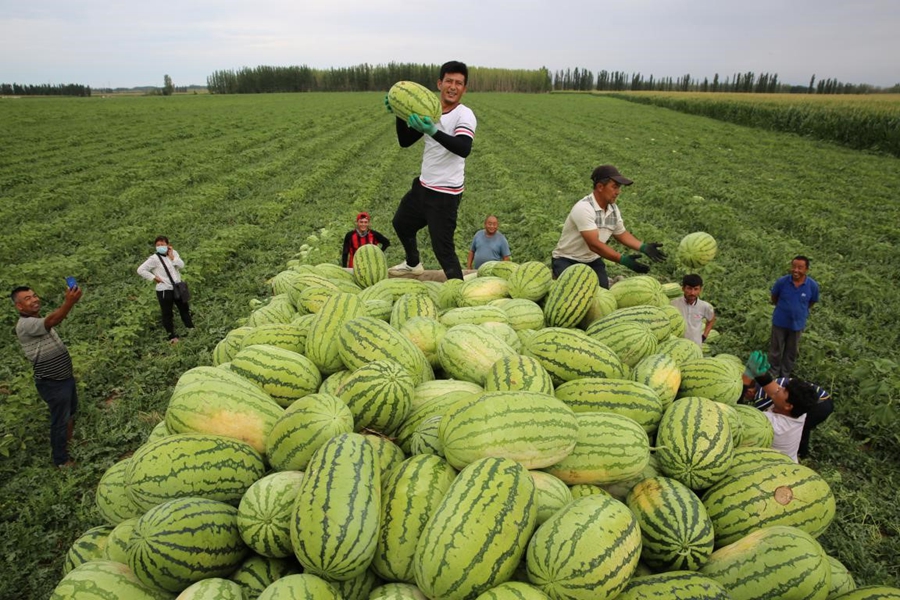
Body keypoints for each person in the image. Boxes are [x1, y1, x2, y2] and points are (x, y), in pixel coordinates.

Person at [386, 61, 477, 280]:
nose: (453, 87)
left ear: (464, 89)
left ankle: (459, 291)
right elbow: (405, 141)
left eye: (458, 83)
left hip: (446, 194)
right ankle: (413, 263)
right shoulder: (431, 111)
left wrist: (433, 131)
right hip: (424, 186)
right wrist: (400, 113)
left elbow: (463, 148)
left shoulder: (464, 115)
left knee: (442, 248)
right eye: (449, 81)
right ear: (439, 83)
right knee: (401, 223)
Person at [551, 165, 666, 288]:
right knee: (576, 290)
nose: (618, 192)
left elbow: (621, 234)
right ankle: (556, 274)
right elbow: (594, 244)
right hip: (567, 259)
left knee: (602, 293)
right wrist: (624, 260)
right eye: (614, 187)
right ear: (600, 187)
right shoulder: (584, 208)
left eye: (619, 188)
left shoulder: (613, 209)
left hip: (592, 260)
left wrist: (643, 247)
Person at [12, 284, 83, 468]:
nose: (34, 299)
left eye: (34, 295)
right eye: (27, 298)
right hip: (52, 383)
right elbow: (52, 320)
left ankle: (69, 444)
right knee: (59, 420)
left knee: (69, 414)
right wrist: (69, 302)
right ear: (19, 306)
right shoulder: (26, 324)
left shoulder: (37, 320)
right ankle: (61, 460)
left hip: (64, 378)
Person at [741, 350, 832, 461]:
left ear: (788, 406)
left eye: (784, 391)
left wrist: (746, 378)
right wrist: (761, 373)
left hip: (775, 470)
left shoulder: (774, 426)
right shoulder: (798, 413)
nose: (779, 388)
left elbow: (737, 413)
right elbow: (770, 386)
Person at [769, 255, 819, 378]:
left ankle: (785, 374)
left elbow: (812, 302)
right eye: (794, 266)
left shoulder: (812, 286)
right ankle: (773, 372)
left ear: (806, 269)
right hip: (780, 322)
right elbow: (774, 297)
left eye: (800, 268)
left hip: (797, 324)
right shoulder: (782, 282)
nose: (796, 270)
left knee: (791, 351)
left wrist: (799, 310)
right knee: (775, 349)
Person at [137, 236, 194, 343]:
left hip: (177, 287)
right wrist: (154, 278)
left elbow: (181, 266)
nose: (160, 247)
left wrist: (172, 257)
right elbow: (140, 270)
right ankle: (172, 337)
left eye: (162, 244)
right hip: (164, 289)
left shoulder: (173, 253)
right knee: (167, 313)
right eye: (158, 245)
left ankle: (190, 328)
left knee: (184, 308)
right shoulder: (154, 259)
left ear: (168, 245)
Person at [671, 273, 716, 347]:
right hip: (677, 345)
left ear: (700, 290)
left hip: (696, 347)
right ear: (683, 288)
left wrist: (704, 336)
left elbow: (711, 319)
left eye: (696, 289)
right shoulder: (673, 304)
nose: (692, 293)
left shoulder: (704, 306)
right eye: (689, 288)